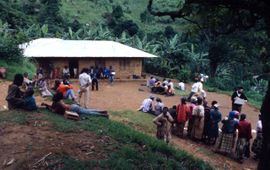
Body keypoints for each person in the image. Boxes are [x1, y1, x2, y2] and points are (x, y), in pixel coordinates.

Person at [42, 92, 108, 118]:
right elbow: (52, 107)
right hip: (73, 106)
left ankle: (102, 114)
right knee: (87, 110)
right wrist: (46, 105)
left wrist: (47, 106)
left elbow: (53, 110)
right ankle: (101, 112)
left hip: (73, 108)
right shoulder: (58, 102)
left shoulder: (57, 103)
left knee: (88, 113)